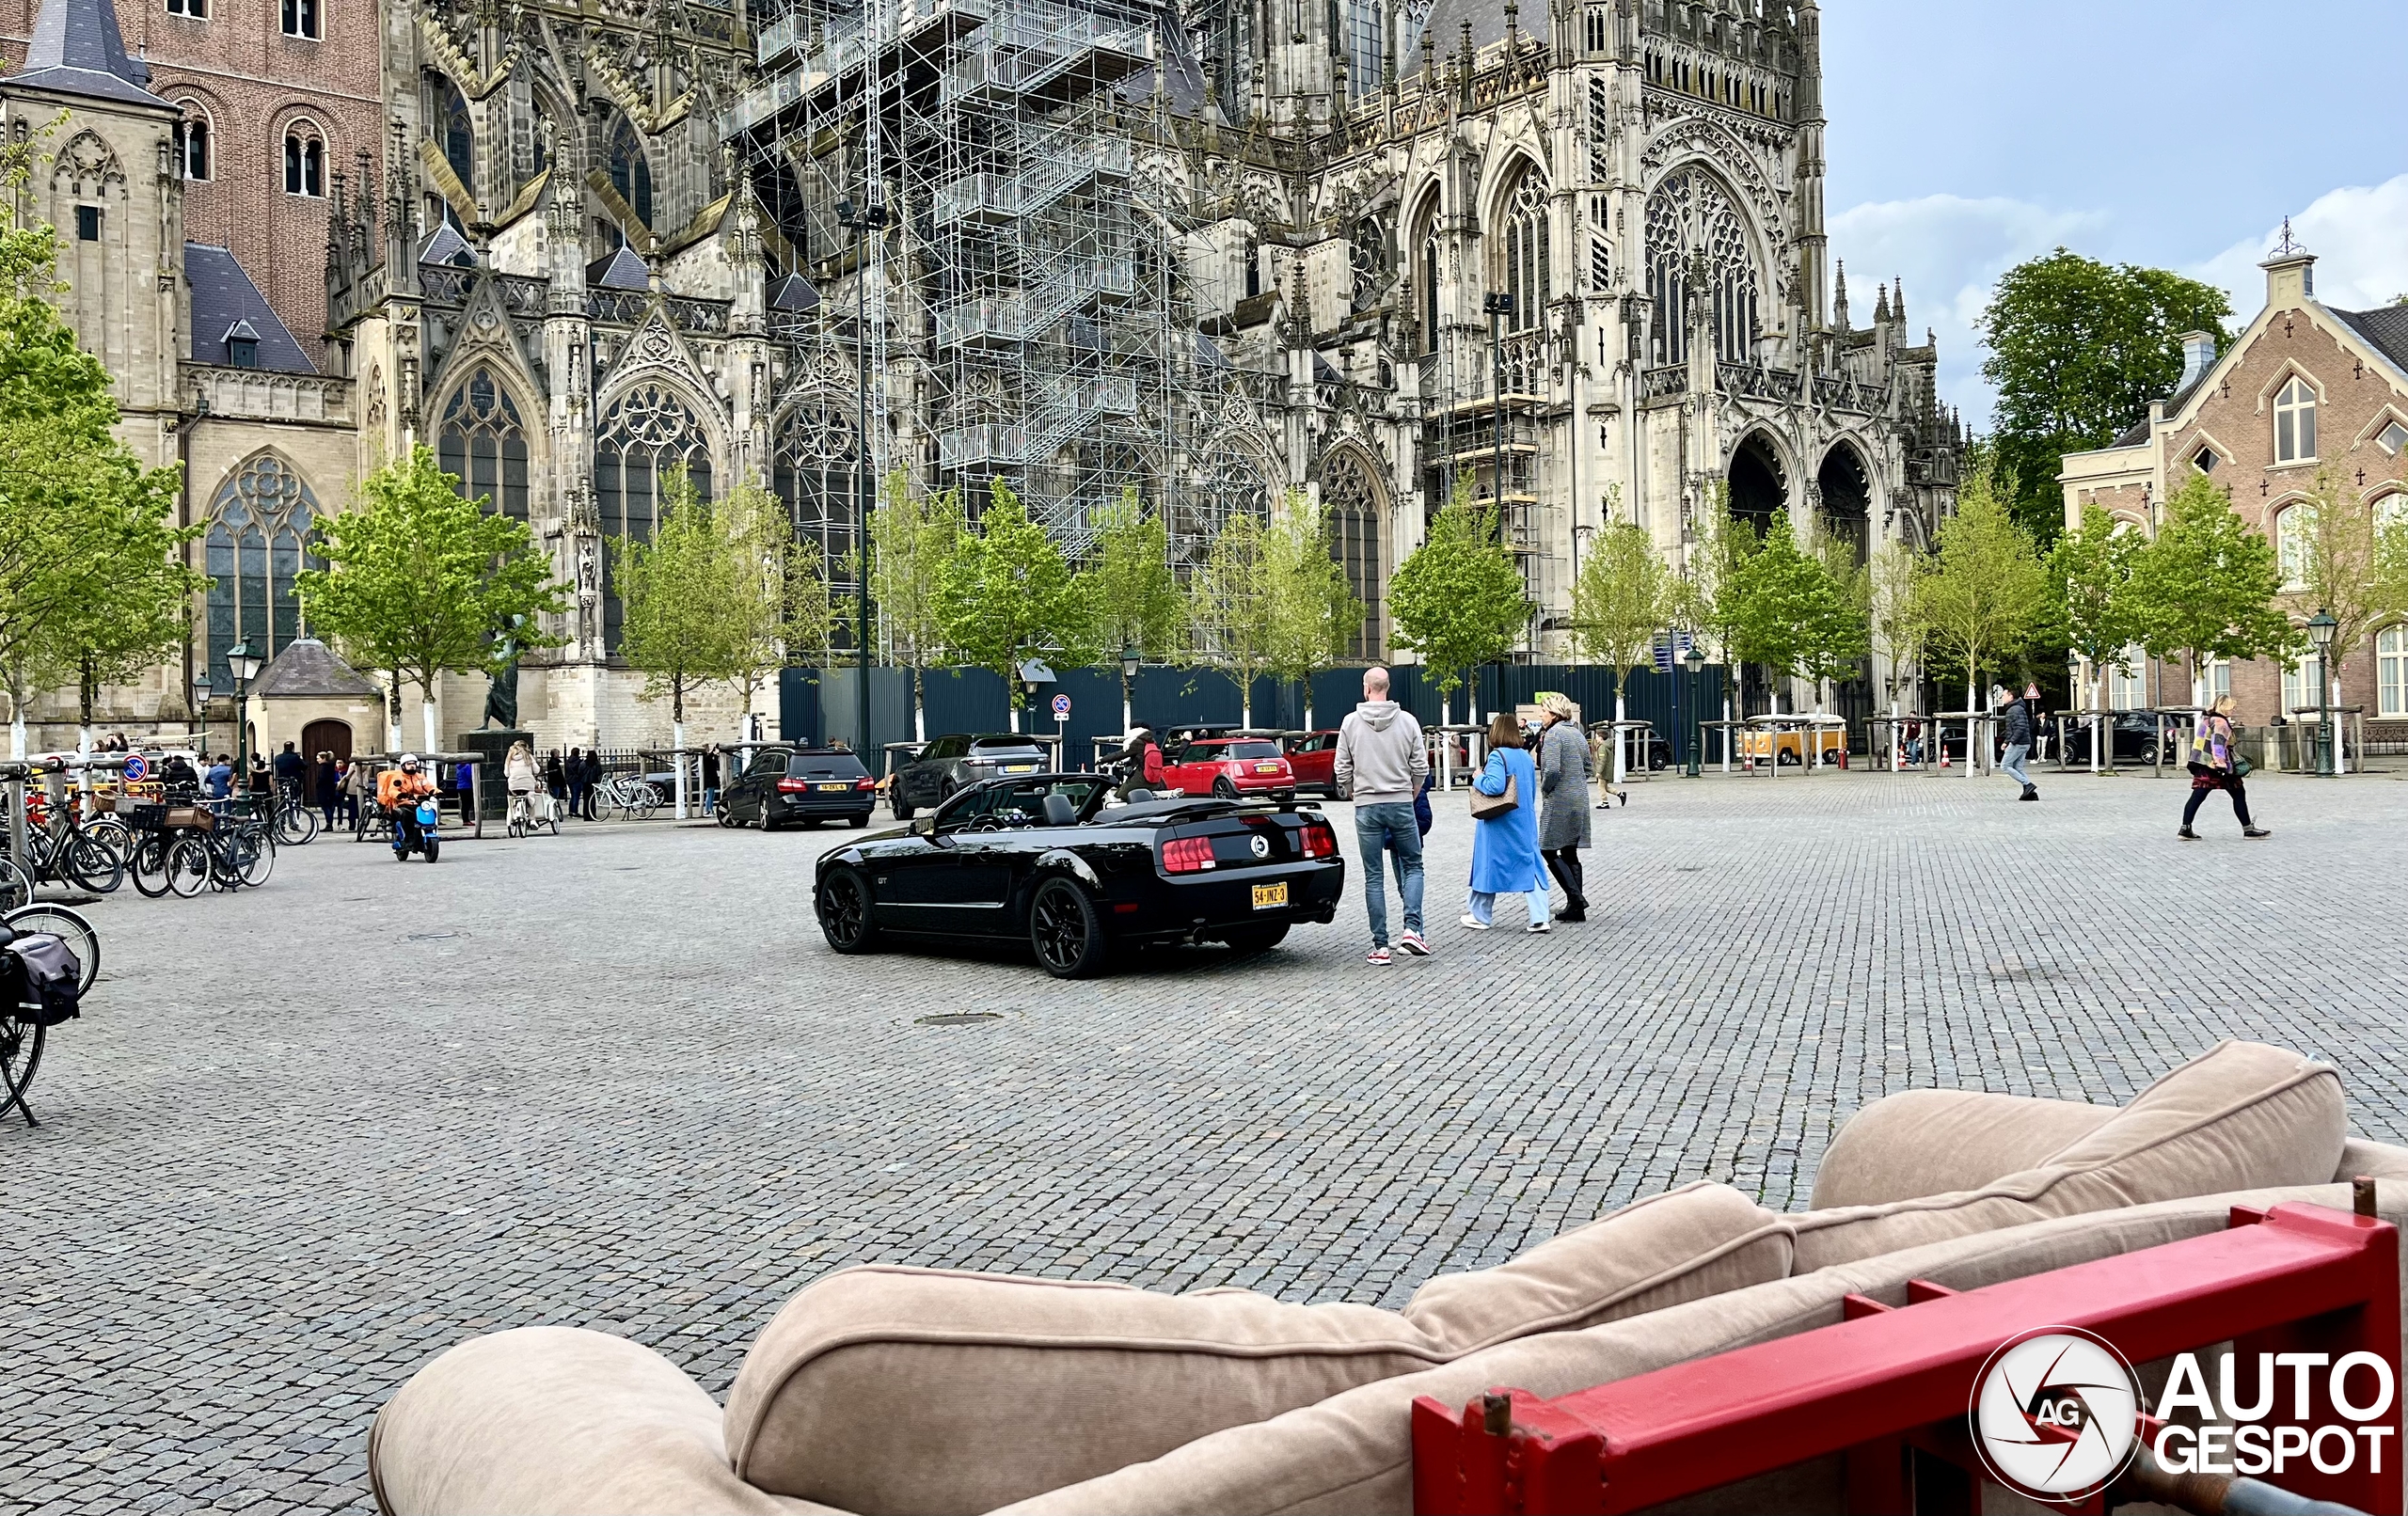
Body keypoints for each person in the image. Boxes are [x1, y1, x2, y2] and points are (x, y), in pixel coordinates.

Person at [1334, 667, 1431, 965]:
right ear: (1387, 687)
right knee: (1413, 865)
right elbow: (1421, 767)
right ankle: (1412, 929)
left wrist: (1354, 791)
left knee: (1373, 877)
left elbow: (1341, 768)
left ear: (1366, 688)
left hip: (1366, 806)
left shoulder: (1350, 723)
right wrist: (1411, 793)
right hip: (1401, 802)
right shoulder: (1408, 722)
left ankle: (1380, 946)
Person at [1463, 712, 1549, 934]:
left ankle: (1480, 915)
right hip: (1524, 819)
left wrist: (1477, 777)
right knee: (1531, 865)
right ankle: (1540, 917)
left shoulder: (1496, 756)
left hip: (1499, 822)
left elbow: (1495, 786)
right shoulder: (1524, 756)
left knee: (1487, 865)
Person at [1535, 693, 1593, 923]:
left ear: (1553, 713)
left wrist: (1546, 789)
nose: (1541, 715)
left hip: (1559, 799)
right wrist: (1576, 781)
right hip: (1580, 798)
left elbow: (1551, 770)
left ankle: (1576, 898)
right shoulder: (1577, 734)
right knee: (1570, 850)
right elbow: (1589, 768)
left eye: (1543, 711)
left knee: (1547, 848)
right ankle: (1575, 908)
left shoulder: (1553, 735)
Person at [2181, 694, 2269, 841]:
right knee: (2238, 793)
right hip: (2216, 765)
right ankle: (2248, 830)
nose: (2233, 709)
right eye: (2231, 706)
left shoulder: (2208, 720)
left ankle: (2185, 828)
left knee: (2198, 795)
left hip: (2202, 763)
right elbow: (2218, 744)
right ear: (2224, 707)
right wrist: (2221, 764)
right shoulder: (2220, 722)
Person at [379, 754, 438, 853]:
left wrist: (436, 792)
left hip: (419, 803)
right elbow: (392, 790)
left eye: (414, 763)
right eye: (409, 764)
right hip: (403, 804)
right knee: (405, 815)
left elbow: (428, 786)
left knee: (430, 812)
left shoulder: (420, 777)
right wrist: (399, 795)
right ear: (403, 766)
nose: (412, 766)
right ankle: (408, 838)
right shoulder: (398, 778)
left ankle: (425, 833)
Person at [1995, 684, 2036, 801]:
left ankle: (2028, 785)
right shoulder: (2017, 708)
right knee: (2018, 768)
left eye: (2003, 695)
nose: (2002, 698)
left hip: (2019, 743)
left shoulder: (2014, 709)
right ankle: (2030, 793)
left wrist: (2011, 741)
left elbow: (2020, 727)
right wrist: (2006, 741)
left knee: (2005, 766)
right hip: (2024, 742)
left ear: (2011, 696)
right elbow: (2012, 729)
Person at [1119, 725, 1167, 798]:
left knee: (1122, 794)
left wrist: (1102, 760)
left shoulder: (1137, 743)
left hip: (1142, 776)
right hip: (1155, 777)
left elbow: (1120, 755)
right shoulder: (1153, 743)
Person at [505, 740, 539, 820]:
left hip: (513, 785)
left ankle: (513, 814)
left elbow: (506, 773)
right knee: (531, 800)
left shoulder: (509, 758)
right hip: (527, 784)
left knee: (512, 799)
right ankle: (532, 819)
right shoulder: (528, 756)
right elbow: (537, 770)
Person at [311, 750, 341, 830]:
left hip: (324, 789)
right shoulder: (330, 766)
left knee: (326, 807)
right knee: (330, 806)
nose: (317, 760)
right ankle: (329, 824)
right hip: (330, 788)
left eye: (318, 758)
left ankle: (329, 824)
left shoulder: (324, 767)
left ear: (323, 758)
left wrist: (318, 783)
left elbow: (323, 778)